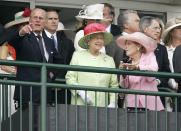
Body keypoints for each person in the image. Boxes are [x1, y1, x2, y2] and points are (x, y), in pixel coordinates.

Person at [1, 8, 64, 109]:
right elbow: (12, 41)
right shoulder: (23, 38)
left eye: (41, 18)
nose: (38, 20)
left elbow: (59, 61)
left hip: (44, 94)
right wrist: (21, 33)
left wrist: (52, 74)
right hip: (27, 94)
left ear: (45, 22)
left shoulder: (49, 41)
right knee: (26, 124)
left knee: (43, 124)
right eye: (35, 17)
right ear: (30, 21)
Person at [66, 23, 118, 107]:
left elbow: (114, 85)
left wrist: (113, 102)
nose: (99, 41)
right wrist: (80, 92)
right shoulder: (78, 56)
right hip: (80, 105)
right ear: (88, 40)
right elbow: (70, 77)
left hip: (102, 106)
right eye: (96, 38)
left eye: (101, 38)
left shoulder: (109, 60)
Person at [116, 32, 164, 111]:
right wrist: (123, 73)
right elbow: (124, 86)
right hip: (132, 104)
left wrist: (137, 67)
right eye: (125, 44)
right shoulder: (127, 62)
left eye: (129, 44)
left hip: (149, 104)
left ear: (138, 46)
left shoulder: (150, 56)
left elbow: (154, 70)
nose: (126, 47)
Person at [44, 10, 75, 104]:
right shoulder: (38, 39)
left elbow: (71, 64)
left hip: (63, 88)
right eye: (50, 19)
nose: (54, 21)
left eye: (56, 19)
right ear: (44, 21)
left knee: (63, 117)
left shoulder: (68, 42)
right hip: (44, 87)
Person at [139, 16, 170, 107]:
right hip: (136, 95)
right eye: (155, 28)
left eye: (159, 28)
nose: (158, 31)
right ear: (145, 29)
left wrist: (157, 81)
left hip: (157, 95)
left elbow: (166, 71)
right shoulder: (132, 45)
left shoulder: (162, 49)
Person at [163, 16, 181, 111]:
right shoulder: (164, 50)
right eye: (179, 28)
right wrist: (174, 85)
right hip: (169, 92)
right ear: (171, 32)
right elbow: (164, 70)